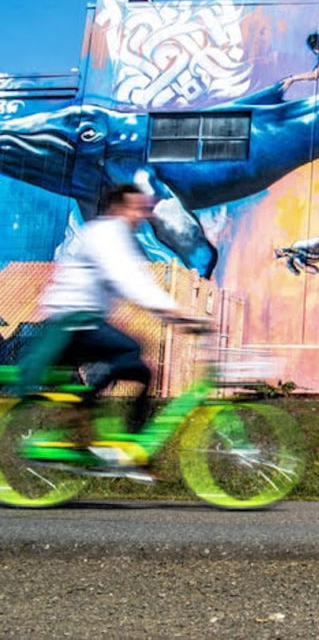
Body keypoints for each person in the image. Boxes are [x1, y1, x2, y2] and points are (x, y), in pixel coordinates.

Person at [17, 184, 193, 465]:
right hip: (72, 323)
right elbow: (125, 279)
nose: (141, 215)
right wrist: (173, 311)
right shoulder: (105, 234)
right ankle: (84, 410)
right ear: (118, 208)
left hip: (82, 321)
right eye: (136, 208)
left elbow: (136, 280)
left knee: (140, 372)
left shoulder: (116, 237)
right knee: (130, 349)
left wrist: (169, 309)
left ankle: (131, 448)